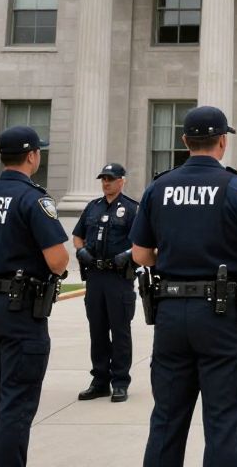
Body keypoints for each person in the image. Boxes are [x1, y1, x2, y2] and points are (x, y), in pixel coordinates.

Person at [130, 105, 237, 467]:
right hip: (221, 314)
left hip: (170, 314)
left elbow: (139, 254)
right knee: (223, 420)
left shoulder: (158, 187)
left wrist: (173, 260)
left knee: (166, 418)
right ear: (222, 142)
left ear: (185, 141)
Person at [0, 126, 70, 467]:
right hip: (21, 310)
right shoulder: (33, 199)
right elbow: (58, 260)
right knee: (16, 400)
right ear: (33, 155)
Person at [72, 162, 138, 402]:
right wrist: (80, 252)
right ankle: (99, 380)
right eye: (103, 179)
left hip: (118, 278)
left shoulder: (132, 209)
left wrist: (129, 254)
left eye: (110, 179)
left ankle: (120, 381)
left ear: (122, 181)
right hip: (95, 277)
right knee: (97, 330)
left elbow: (143, 241)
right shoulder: (92, 207)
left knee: (120, 331)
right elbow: (78, 235)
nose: (106, 183)